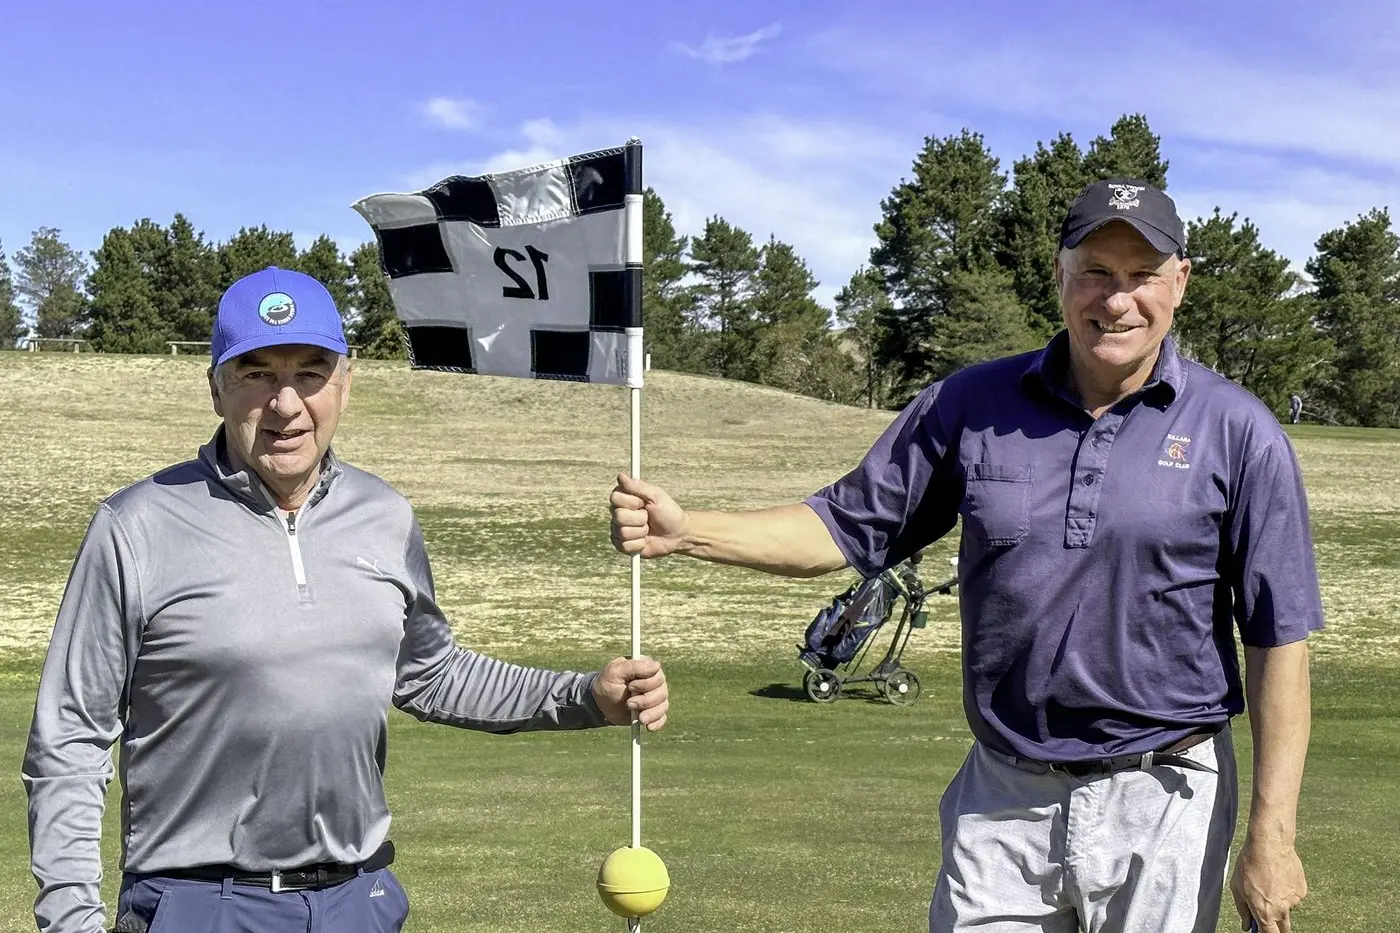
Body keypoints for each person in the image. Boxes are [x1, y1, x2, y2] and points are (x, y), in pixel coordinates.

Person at [610, 179, 1322, 933]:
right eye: (1095, 272)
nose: (1117, 301)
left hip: (1166, 795)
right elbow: (843, 528)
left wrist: (1272, 837)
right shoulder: (972, 404)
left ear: (1179, 282)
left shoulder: (1239, 430)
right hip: (1003, 796)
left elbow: (1280, 642)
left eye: (1141, 275)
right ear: (1059, 276)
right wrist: (686, 531)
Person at [23, 267, 670, 933]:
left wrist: (587, 694)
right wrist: (70, 919)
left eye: (310, 372)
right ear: (215, 386)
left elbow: (430, 672)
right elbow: (70, 734)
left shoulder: (383, 515)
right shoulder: (136, 525)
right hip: (199, 904)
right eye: (256, 373)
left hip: (357, 899)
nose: (285, 403)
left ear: (345, 384)